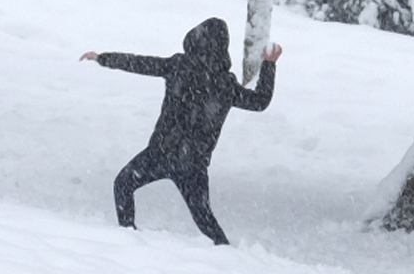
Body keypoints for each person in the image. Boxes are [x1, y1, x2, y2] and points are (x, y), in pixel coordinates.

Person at [80, 17, 282, 245]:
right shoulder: (224, 84)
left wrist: (103, 58)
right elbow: (259, 101)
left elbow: (140, 63)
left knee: (123, 184)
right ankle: (225, 252)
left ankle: (128, 238)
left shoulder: (179, 66)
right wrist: (269, 65)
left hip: (161, 154)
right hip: (192, 164)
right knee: (204, 218)